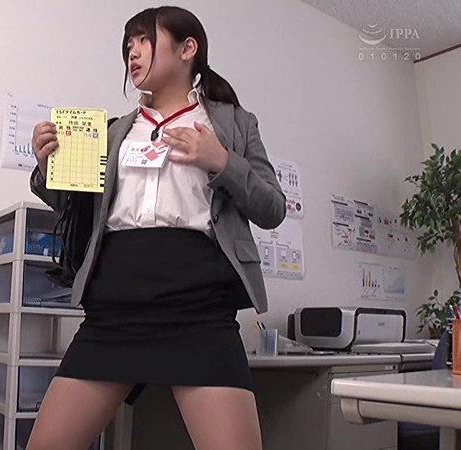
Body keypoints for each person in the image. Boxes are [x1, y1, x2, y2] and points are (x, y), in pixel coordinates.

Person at [27, 6, 285, 450]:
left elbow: (273, 208)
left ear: (188, 49)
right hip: (113, 310)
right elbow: (76, 210)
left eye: (144, 40)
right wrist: (47, 166)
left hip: (200, 309)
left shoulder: (234, 123)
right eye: (128, 44)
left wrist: (222, 161)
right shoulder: (113, 132)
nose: (132, 52)